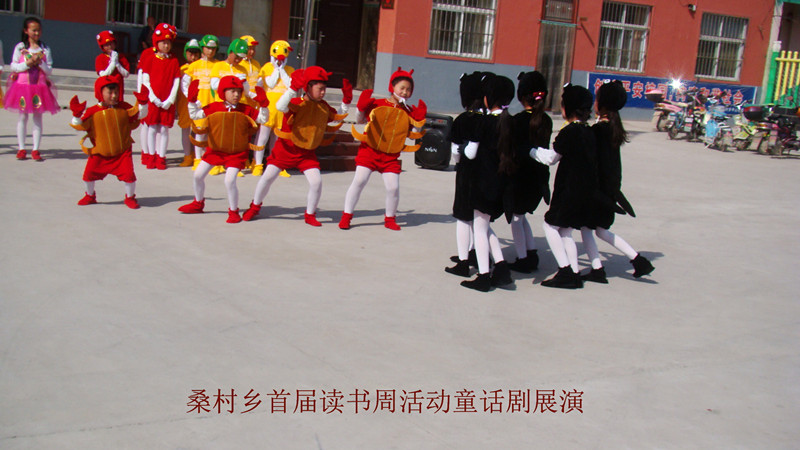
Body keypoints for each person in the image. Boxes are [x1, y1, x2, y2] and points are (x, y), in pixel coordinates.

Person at [242, 67, 349, 226]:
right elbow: (280, 106)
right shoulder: (296, 103)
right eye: (319, 89)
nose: (323, 92)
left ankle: (310, 214)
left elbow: (336, 117)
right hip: (285, 150)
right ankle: (255, 207)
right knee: (267, 178)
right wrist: (292, 89)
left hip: (306, 153)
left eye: (324, 89)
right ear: (308, 87)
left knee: (316, 182)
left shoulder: (323, 106)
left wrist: (346, 101)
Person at [580, 80, 655, 282]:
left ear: (602, 104)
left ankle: (598, 269)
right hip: (610, 187)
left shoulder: (599, 130)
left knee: (588, 228)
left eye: (597, 99)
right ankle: (637, 260)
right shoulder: (614, 128)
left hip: (599, 189)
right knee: (600, 230)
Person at [339, 67, 427, 231]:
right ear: (392, 87)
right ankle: (346, 216)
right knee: (359, 181)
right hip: (369, 151)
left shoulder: (408, 112)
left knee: (393, 188)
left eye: (408, 89)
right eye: (402, 88)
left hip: (390, 156)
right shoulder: (377, 104)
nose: (405, 92)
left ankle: (390, 219)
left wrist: (419, 120)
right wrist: (360, 108)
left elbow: (412, 135)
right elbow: (360, 120)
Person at [530, 84, 598, 289]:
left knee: (550, 225)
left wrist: (531, 151)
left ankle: (565, 269)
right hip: (584, 189)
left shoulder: (569, 132)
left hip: (568, 189)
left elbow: (551, 158)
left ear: (568, 108)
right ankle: (575, 272)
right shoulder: (589, 131)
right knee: (566, 230)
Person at [178, 76, 269, 223]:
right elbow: (195, 115)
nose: (236, 95)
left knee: (229, 180)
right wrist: (192, 101)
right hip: (215, 150)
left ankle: (233, 211)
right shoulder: (214, 107)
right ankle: (198, 203)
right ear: (222, 92)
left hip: (236, 153)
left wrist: (264, 105)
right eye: (232, 91)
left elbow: (263, 119)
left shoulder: (246, 109)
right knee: (198, 176)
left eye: (239, 91)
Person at [459, 75, 516, 292]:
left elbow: (471, 153)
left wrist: (461, 148)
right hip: (501, 183)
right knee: (485, 225)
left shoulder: (483, 122)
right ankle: (501, 267)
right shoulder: (510, 122)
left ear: (487, 98)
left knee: (480, 230)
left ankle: (483, 275)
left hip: (483, 183)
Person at [69, 76, 146, 209]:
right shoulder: (93, 111)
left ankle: (130, 197)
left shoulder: (124, 108)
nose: (114, 96)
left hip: (122, 151)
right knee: (89, 174)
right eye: (110, 92)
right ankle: (90, 195)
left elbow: (139, 115)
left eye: (116, 92)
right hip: (100, 151)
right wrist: (76, 115)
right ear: (100, 93)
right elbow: (79, 125)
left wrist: (144, 104)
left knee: (128, 175)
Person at [505, 71, 553, 274]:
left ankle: (523, 258)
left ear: (521, 96)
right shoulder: (546, 120)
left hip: (520, 179)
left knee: (516, 219)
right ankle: (531, 252)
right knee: (522, 216)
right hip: (538, 178)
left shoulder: (517, 121)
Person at [444, 71, 486, 277]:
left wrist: (459, 158)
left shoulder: (461, 120)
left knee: (463, 218)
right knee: (480, 220)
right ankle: (476, 253)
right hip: (485, 174)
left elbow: (456, 154)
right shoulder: (488, 120)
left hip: (466, 175)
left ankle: (463, 262)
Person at [4, 17, 60, 161]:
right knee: (22, 117)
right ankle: (22, 148)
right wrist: (27, 64)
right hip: (22, 87)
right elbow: (13, 66)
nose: (37, 33)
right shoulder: (20, 47)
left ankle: (35, 149)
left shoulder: (45, 49)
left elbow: (49, 70)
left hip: (39, 88)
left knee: (37, 117)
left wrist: (40, 63)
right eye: (34, 30)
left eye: (39, 30)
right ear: (26, 31)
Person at [139, 23, 180, 170]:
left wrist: (170, 99)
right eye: (163, 42)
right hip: (153, 100)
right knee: (151, 128)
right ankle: (151, 155)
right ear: (157, 43)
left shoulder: (174, 61)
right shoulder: (150, 59)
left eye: (168, 43)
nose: (166, 45)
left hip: (167, 102)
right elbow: (146, 80)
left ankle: (161, 156)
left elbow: (176, 81)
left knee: (164, 130)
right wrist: (153, 97)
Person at [206, 38, 250, 176]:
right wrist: (232, 79)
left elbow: (247, 91)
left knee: (235, 137)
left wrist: (243, 82)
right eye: (236, 56)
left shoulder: (242, 68)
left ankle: (234, 165)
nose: (238, 60)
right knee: (218, 135)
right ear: (230, 52)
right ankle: (216, 163)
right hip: (221, 107)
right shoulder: (218, 66)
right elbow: (214, 85)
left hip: (237, 108)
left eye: (241, 58)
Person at [254, 40, 297, 178]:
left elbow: (290, 85)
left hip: (282, 109)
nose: (280, 61)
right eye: (277, 58)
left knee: (278, 140)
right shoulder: (267, 67)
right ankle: (258, 164)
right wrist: (276, 69)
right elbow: (271, 83)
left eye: (283, 58)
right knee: (263, 137)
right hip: (269, 108)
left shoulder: (290, 70)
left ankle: (276, 165)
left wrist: (282, 70)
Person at [181, 34, 219, 169]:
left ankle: (209, 158)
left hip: (213, 103)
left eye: (213, 49)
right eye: (208, 48)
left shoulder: (219, 65)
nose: (210, 51)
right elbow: (185, 85)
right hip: (199, 104)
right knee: (199, 132)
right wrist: (192, 100)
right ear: (202, 48)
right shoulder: (194, 66)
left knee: (213, 133)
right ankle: (197, 159)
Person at [177, 39, 201, 167]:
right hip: (185, 104)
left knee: (198, 129)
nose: (193, 56)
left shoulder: (201, 68)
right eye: (190, 53)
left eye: (196, 53)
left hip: (199, 103)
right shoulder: (183, 69)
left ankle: (197, 155)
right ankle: (187, 155)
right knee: (185, 130)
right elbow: (181, 87)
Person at [95, 30, 130, 101]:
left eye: (111, 43)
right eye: (106, 45)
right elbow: (103, 75)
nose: (110, 46)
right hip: (106, 87)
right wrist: (113, 62)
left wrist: (117, 64)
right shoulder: (100, 58)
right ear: (102, 46)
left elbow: (126, 74)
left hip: (118, 87)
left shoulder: (121, 57)